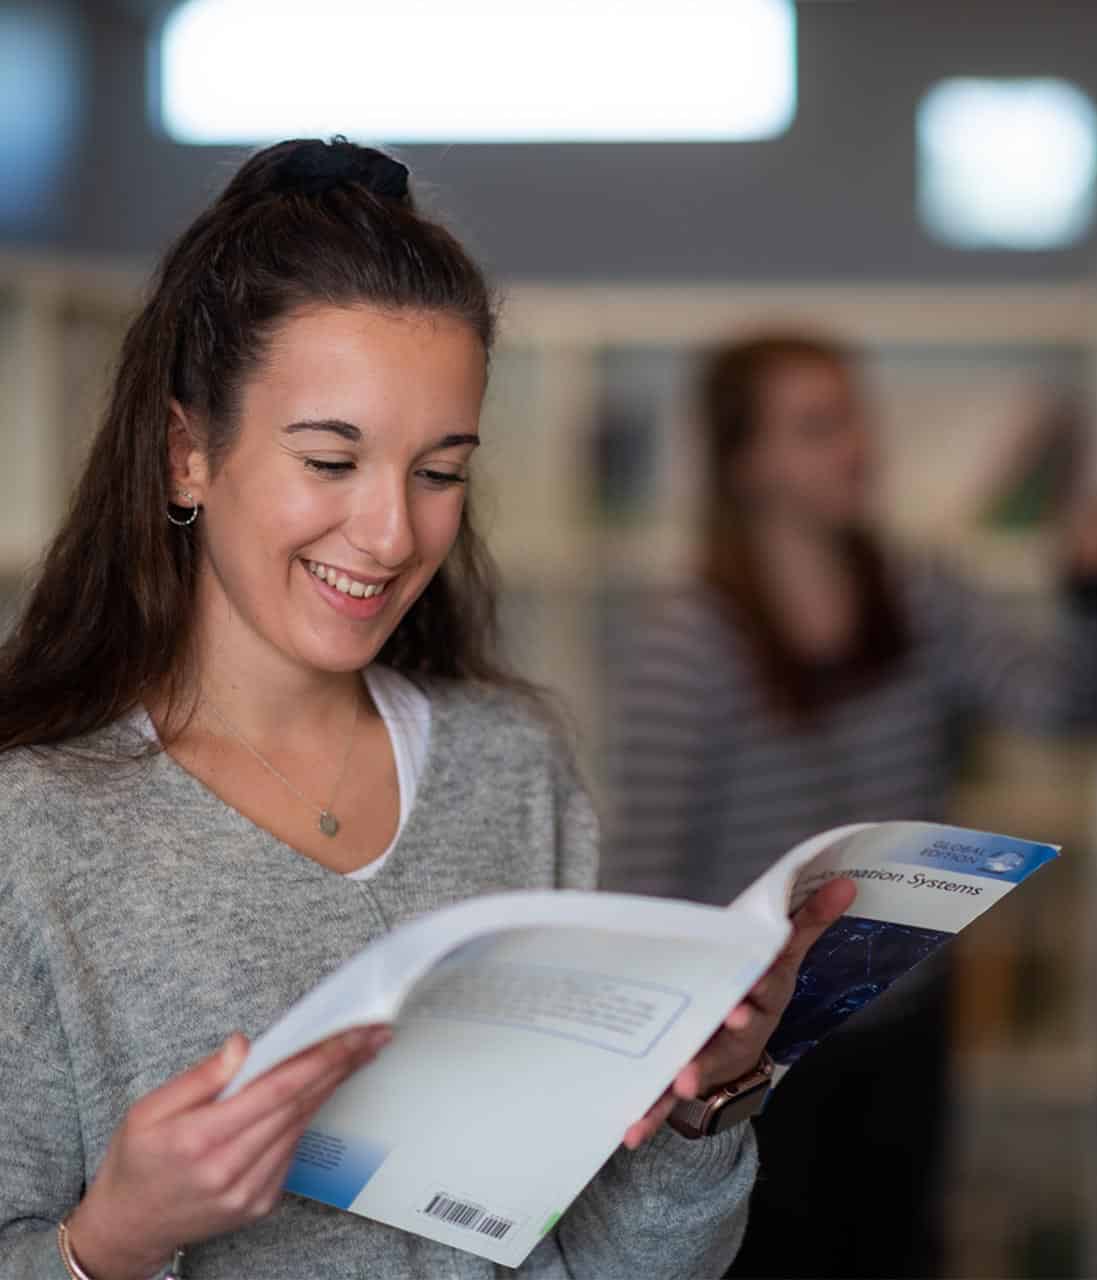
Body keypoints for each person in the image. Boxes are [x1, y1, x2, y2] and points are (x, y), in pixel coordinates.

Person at [0, 141, 852, 1280]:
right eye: (330, 459)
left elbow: (614, 1260)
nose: (391, 534)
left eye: (438, 471)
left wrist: (707, 1104)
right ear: (186, 454)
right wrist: (113, 1236)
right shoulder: (38, 828)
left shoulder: (512, 766)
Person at [604, 334, 1097, 1278]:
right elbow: (650, 875)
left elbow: (1060, 705)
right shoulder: (689, 638)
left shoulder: (919, 594)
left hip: (904, 1019)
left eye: (854, 416)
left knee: (897, 1252)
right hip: (757, 1058)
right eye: (818, 426)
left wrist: (1088, 588)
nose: (858, 446)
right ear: (749, 462)